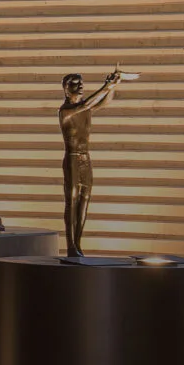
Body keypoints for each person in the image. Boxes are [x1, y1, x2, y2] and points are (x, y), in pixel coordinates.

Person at [59, 70, 124, 256]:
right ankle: (71, 245)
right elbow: (87, 103)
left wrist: (113, 86)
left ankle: (78, 244)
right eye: (75, 83)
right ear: (65, 89)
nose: (80, 86)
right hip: (72, 158)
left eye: (81, 83)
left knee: (84, 200)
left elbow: (105, 102)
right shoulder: (65, 112)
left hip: (85, 158)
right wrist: (107, 86)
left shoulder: (84, 109)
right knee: (71, 202)